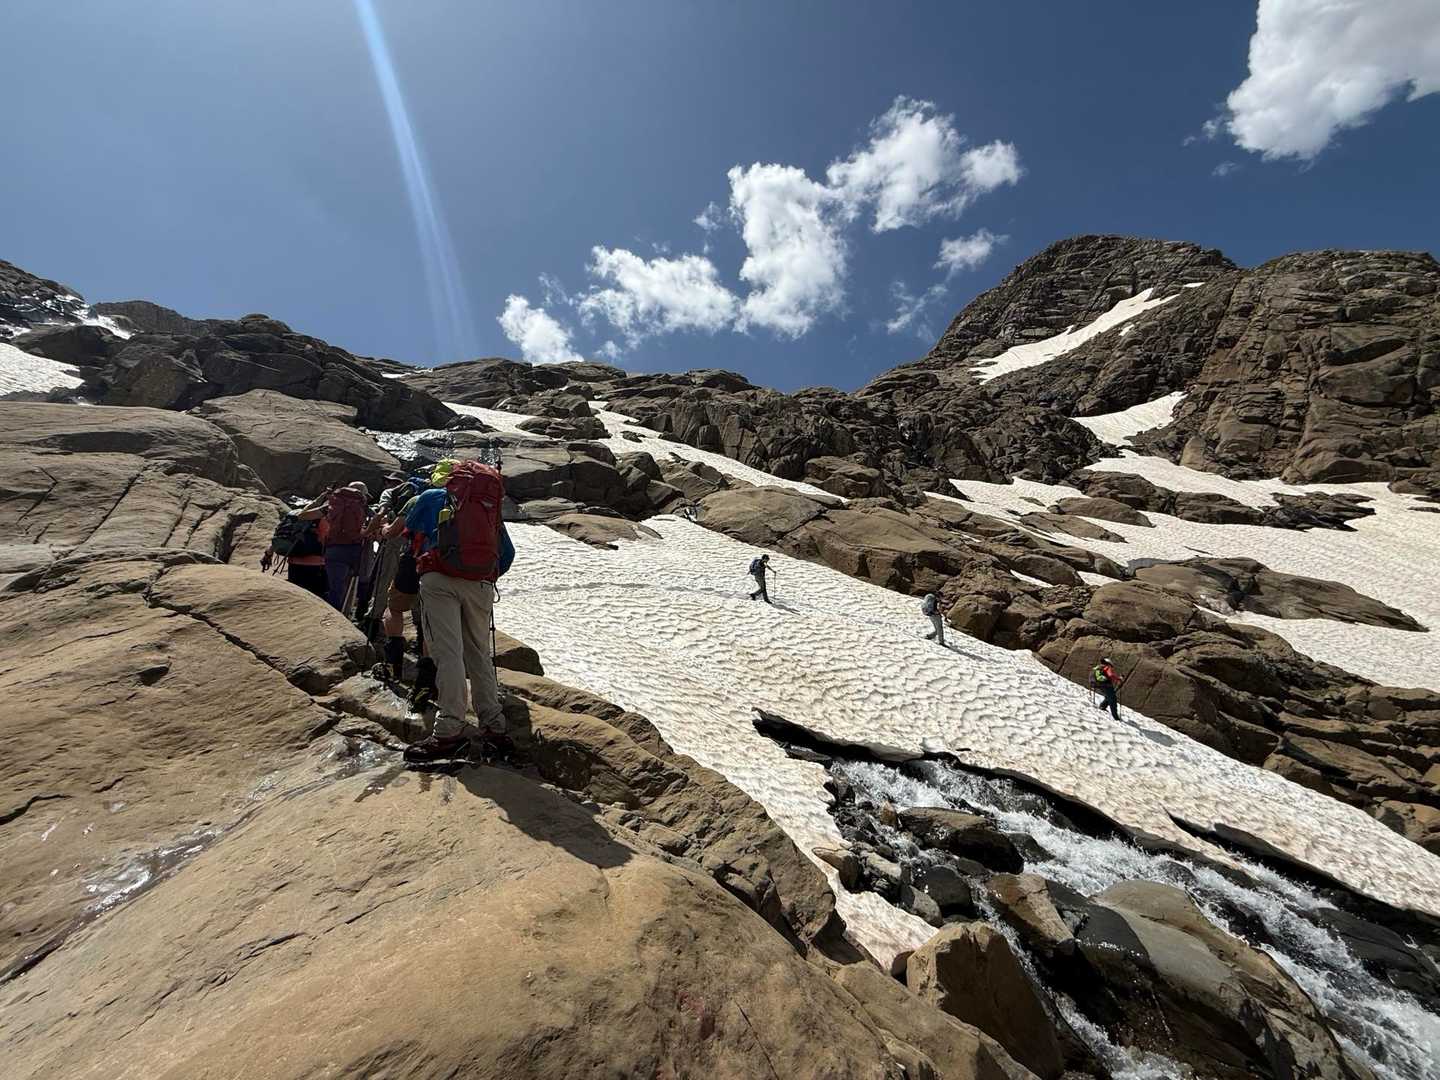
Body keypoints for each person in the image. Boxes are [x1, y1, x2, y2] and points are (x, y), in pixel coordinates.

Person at [403, 459, 515, 763]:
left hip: (439, 580)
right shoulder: (488, 507)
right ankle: (494, 726)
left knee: (448, 653)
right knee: (479, 653)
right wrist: (483, 575)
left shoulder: (430, 497)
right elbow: (507, 554)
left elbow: (409, 533)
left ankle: (449, 729)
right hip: (480, 583)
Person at [261, 513, 327, 599]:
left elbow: (282, 536)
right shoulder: (323, 518)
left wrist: (268, 555)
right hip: (316, 566)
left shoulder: (296, 515)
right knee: (317, 599)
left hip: (294, 565)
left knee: (296, 597)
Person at [1093, 656, 1124, 722]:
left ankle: (1102, 706)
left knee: (1109, 696)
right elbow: (1111, 675)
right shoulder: (1107, 667)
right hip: (1106, 685)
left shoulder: (1098, 667)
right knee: (1113, 699)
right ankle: (1115, 717)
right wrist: (1119, 678)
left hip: (1098, 684)